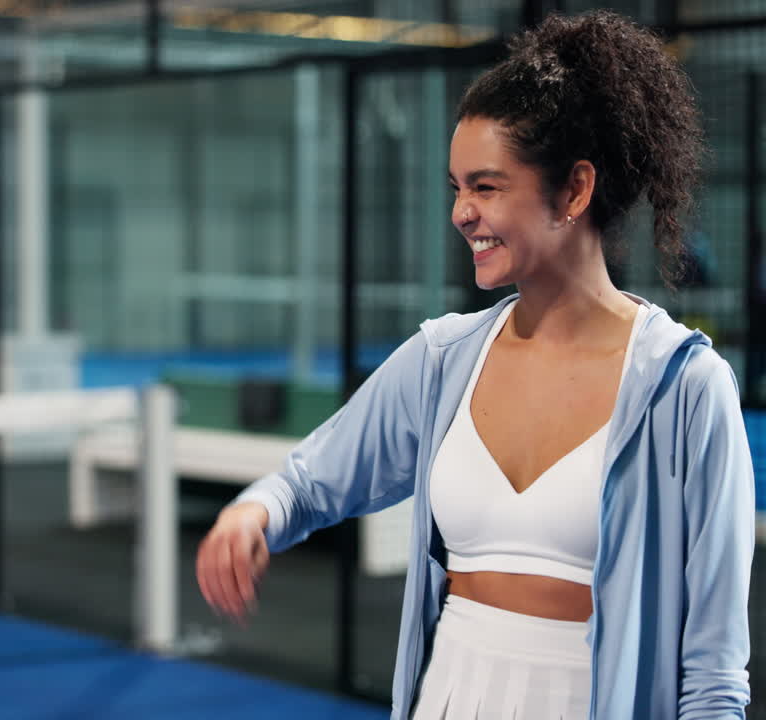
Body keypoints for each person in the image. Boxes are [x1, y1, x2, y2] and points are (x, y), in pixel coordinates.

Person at [196, 11, 752, 720]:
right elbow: (310, 481)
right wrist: (254, 512)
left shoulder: (687, 389)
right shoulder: (439, 360)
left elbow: (713, 671)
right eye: (455, 187)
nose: (461, 212)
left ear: (575, 191)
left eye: (486, 186)